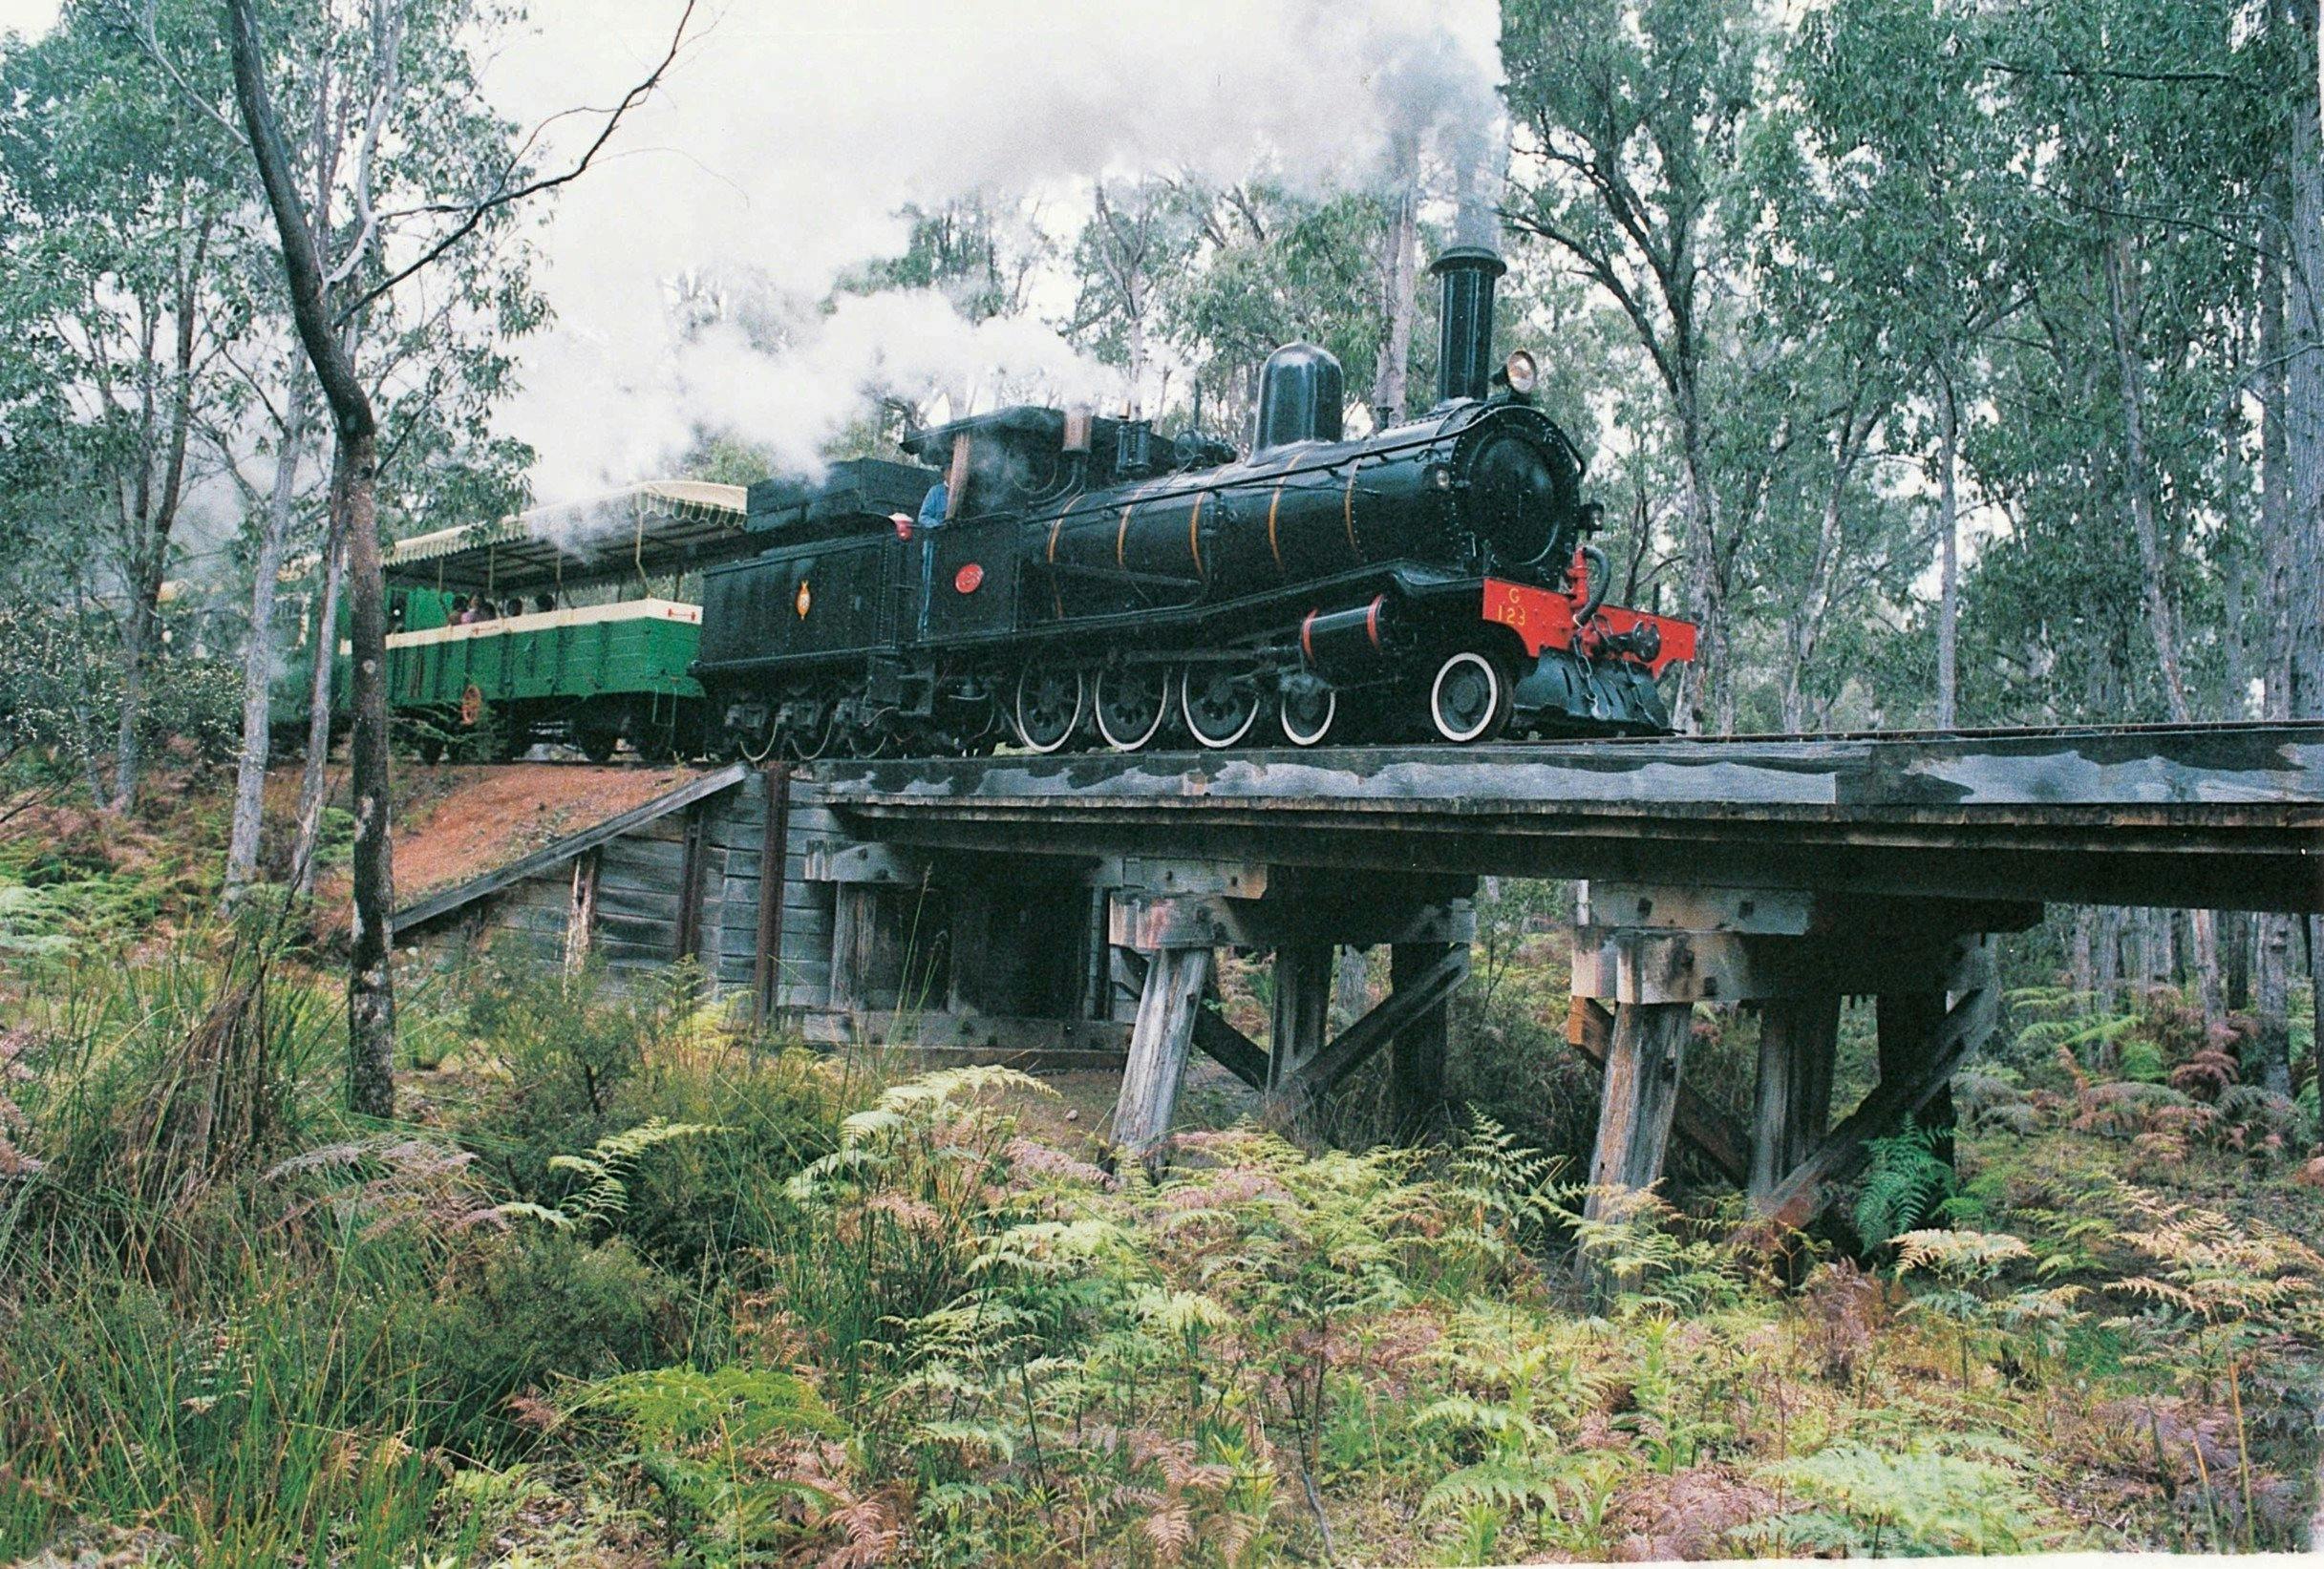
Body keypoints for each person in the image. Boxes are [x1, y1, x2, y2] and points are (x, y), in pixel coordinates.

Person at [913, 479, 949, 640]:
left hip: (953, 546)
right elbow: (923, 517)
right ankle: (924, 628)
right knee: (929, 585)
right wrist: (938, 526)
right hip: (935, 544)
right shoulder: (936, 492)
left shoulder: (964, 492)